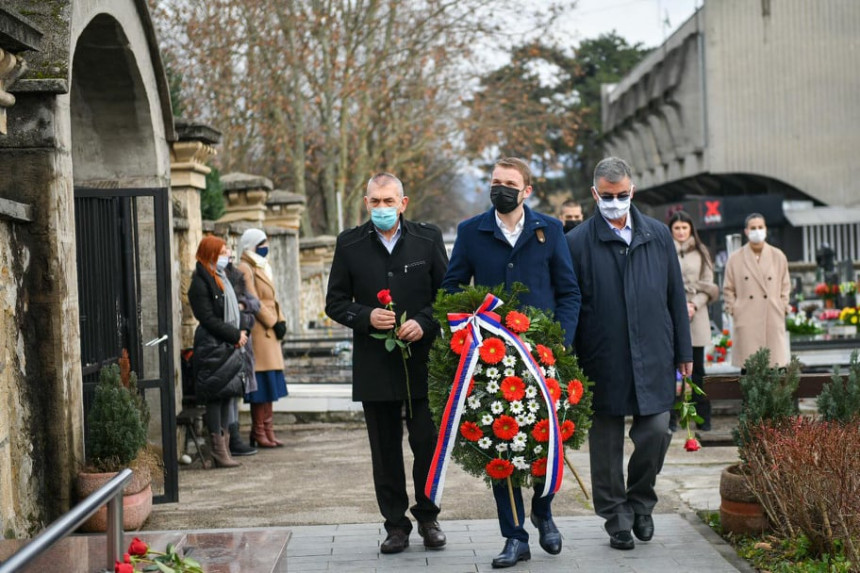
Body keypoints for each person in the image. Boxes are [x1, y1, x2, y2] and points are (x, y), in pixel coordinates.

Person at [442, 157, 581, 568]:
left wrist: (560, 342)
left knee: (542, 439)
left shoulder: (550, 230)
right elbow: (452, 287)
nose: (500, 188)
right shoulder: (471, 232)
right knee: (499, 444)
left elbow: (569, 293)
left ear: (527, 190)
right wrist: (470, 321)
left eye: (509, 183)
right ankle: (515, 536)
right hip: (490, 358)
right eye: (495, 182)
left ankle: (543, 509)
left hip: (541, 357)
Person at [566, 157, 692, 551]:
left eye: (622, 195)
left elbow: (675, 295)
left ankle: (641, 503)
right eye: (607, 196)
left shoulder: (657, 234)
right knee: (605, 447)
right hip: (601, 357)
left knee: (655, 431)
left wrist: (684, 351)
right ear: (594, 194)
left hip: (654, 353)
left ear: (632, 190)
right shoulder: (577, 242)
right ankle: (617, 518)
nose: (616, 202)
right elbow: (572, 303)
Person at [325, 172, 450, 554]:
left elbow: (447, 298)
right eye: (375, 202)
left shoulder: (428, 240)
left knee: (427, 442)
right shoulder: (349, 244)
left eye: (388, 201)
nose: (382, 208)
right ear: (366, 203)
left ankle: (428, 517)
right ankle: (396, 525)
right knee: (384, 449)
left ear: (403, 202)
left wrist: (424, 322)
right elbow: (335, 303)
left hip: (422, 363)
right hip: (375, 365)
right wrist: (365, 317)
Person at [187, 236, 249, 468]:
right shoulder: (200, 284)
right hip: (213, 346)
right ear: (210, 254)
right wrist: (234, 335)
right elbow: (207, 318)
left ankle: (225, 448)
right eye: (222, 252)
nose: (227, 256)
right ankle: (218, 451)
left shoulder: (221, 278)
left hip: (226, 344)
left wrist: (239, 330)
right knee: (215, 398)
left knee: (226, 396)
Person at [668, 211, 719, 431]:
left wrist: (694, 304)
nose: (680, 232)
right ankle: (670, 418)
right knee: (669, 369)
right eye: (677, 228)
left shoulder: (701, 251)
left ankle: (703, 417)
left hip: (695, 313)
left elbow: (709, 284)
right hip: (669, 313)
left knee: (697, 368)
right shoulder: (663, 248)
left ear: (691, 230)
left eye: (684, 228)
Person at [238, 229, 288, 448]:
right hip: (260, 331)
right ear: (252, 244)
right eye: (262, 242)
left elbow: (273, 299)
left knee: (271, 383)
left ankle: (268, 429)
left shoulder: (261, 265)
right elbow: (253, 300)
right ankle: (258, 432)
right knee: (261, 383)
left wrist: (282, 320)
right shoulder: (245, 267)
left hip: (270, 331)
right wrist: (273, 322)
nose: (266, 245)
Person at [722, 213, 791, 368]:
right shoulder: (735, 258)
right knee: (749, 369)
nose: (757, 231)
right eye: (753, 228)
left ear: (766, 229)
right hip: (746, 319)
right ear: (746, 231)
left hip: (772, 316)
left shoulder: (777, 256)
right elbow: (728, 288)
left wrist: (782, 306)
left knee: (775, 368)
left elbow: (785, 285)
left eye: (760, 227)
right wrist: (734, 309)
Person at [224, 254, 261, 456]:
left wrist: (243, 306)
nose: (227, 257)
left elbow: (255, 304)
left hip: (243, 340)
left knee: (236, 389)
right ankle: (231, 439)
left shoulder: (237, 276)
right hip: (227, 340)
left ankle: (236, 437)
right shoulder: (210, 280)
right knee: (228, 391)